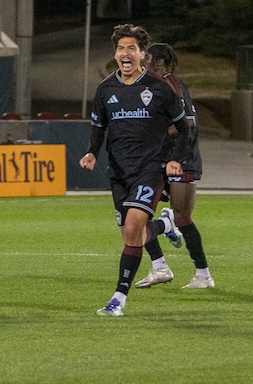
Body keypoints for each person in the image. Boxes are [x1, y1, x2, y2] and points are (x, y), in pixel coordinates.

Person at [80, 24, 191, 317]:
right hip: (118, 173)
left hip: (150, 170)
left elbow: (184, 128)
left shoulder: (159, 89)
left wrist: (175, 158)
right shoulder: (105, 89)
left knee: (132, 230)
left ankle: (118, 299)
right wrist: (92, 151)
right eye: (120, 48)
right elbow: (98, 126)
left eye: (131, 48)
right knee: (134, 237)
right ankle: (165, 225)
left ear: (142, 54)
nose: (125, 53)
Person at [134, 42, 215, 289]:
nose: (141, 61)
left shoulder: (168, 84)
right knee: (136, 212)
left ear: (158, 62)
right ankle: (160, 266)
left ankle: (203, 275)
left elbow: (186, 123)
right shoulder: (160, 84)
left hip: (181, 158)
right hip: (161, 159)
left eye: (146, 58)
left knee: (181, 218)